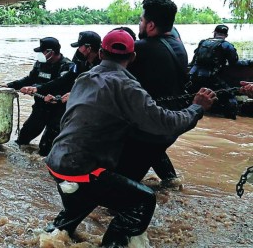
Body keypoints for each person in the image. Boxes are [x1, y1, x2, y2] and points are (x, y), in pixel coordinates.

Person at [44, 29, 216, 247]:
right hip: (83, 168)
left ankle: (55, 233)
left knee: (82, 200)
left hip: (56, 161)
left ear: (100, 54)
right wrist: (196, 108)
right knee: (143, 200)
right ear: (133, 57)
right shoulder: (128, 86)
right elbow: (165, 123)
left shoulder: (83, 78)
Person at [117, 0, 188, 186]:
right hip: (171, 122)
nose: (139, 24)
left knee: (119, 187)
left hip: (149, 128)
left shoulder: (140, 49)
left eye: (141, 20)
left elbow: (112, 78)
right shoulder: (179, 46)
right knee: (153, 151)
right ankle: (171, 183)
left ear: (150, 25)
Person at [24, 31, 102, 156]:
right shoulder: (79, 58)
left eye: (80, 46)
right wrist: (40, 90)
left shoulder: (103, 63)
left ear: (88, 48)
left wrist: (74, 94)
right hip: (61, 100)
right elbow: (68, 79)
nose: (78, 49)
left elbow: (99, 89)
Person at [1, 37, 73, 156]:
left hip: (57, 112)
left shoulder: (67, 67)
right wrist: (10, 85)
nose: (40, 55)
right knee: (21, 141)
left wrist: (37, 88)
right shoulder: (40, 64)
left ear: (51, 52)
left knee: (46, 149)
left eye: (42, 51)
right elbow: (30, 79)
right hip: (40, 109)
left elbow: (59, 84)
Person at [188, 24, 250, 119]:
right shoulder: (227, 45)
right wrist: (248, 62)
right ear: (226, 35)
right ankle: (231, 120)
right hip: (211, 78)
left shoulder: (203, 42)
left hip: (193, 76)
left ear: (215, 33)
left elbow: (193, 61)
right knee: (230, 96)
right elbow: (234, 63)